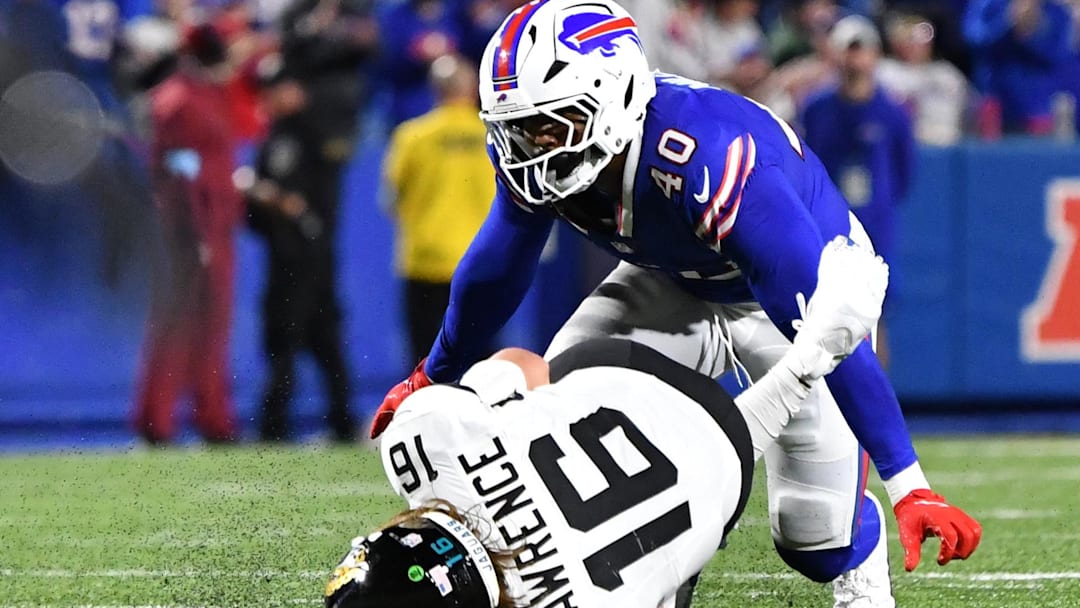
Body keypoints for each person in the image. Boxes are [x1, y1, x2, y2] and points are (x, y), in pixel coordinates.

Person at [370, 2, 983, 606]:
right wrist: (433, 374)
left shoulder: (712, 158)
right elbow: (500, 263)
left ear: (613, 98)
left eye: (550, 126)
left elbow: (829, 325)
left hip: (798, 301)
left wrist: (910, 485)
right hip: (669, 281)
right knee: (563, 431)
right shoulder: (552, 153)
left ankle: (860, 553)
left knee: (814, 537)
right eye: (520, 128)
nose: (531, 147)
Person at [328, 238, 902, 608]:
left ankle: (779, 350)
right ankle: (799, 356)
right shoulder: (422, 439)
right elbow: (524, 367)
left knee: (811, 533)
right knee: (804, 533)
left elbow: (722, 448)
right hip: (619, 376)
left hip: (715, 464)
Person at [133, 22, 242, 444]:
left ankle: (212, 416)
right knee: (177, 327)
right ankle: (158, 420)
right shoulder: (180, 101)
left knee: (211, 328)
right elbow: (178, 168)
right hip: (190, 232)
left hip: (211, 225)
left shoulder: (203, 95)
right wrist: (196, 229)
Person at [245, 56, 357, 443]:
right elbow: (254, 213)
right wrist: (265, 203)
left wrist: (279, 201)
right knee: (286, 341)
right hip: (284, 255)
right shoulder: (273, 137)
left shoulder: (314, 133)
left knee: (318, 341)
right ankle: (277, 425)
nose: (274, 96)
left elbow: (317, 198)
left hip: (311, 254)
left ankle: (337, 421)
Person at [800, 15, 916, 369]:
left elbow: (904, 173)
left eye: (862, 50)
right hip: (828, 228)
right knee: (818, 317)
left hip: (874, 228)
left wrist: (878, 207)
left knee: (874, 320)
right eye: (849, 51)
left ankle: (876, 411)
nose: (855, 61)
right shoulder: (817, 108)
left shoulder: (892, 112)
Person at [383, 53, 496, 365]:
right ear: (472, 88)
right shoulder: (494, 135)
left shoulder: (411, 136)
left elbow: (392, 200)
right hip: (479, 260)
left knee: (423, 361)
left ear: (435, 90)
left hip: (424, 261)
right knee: (483, 366)